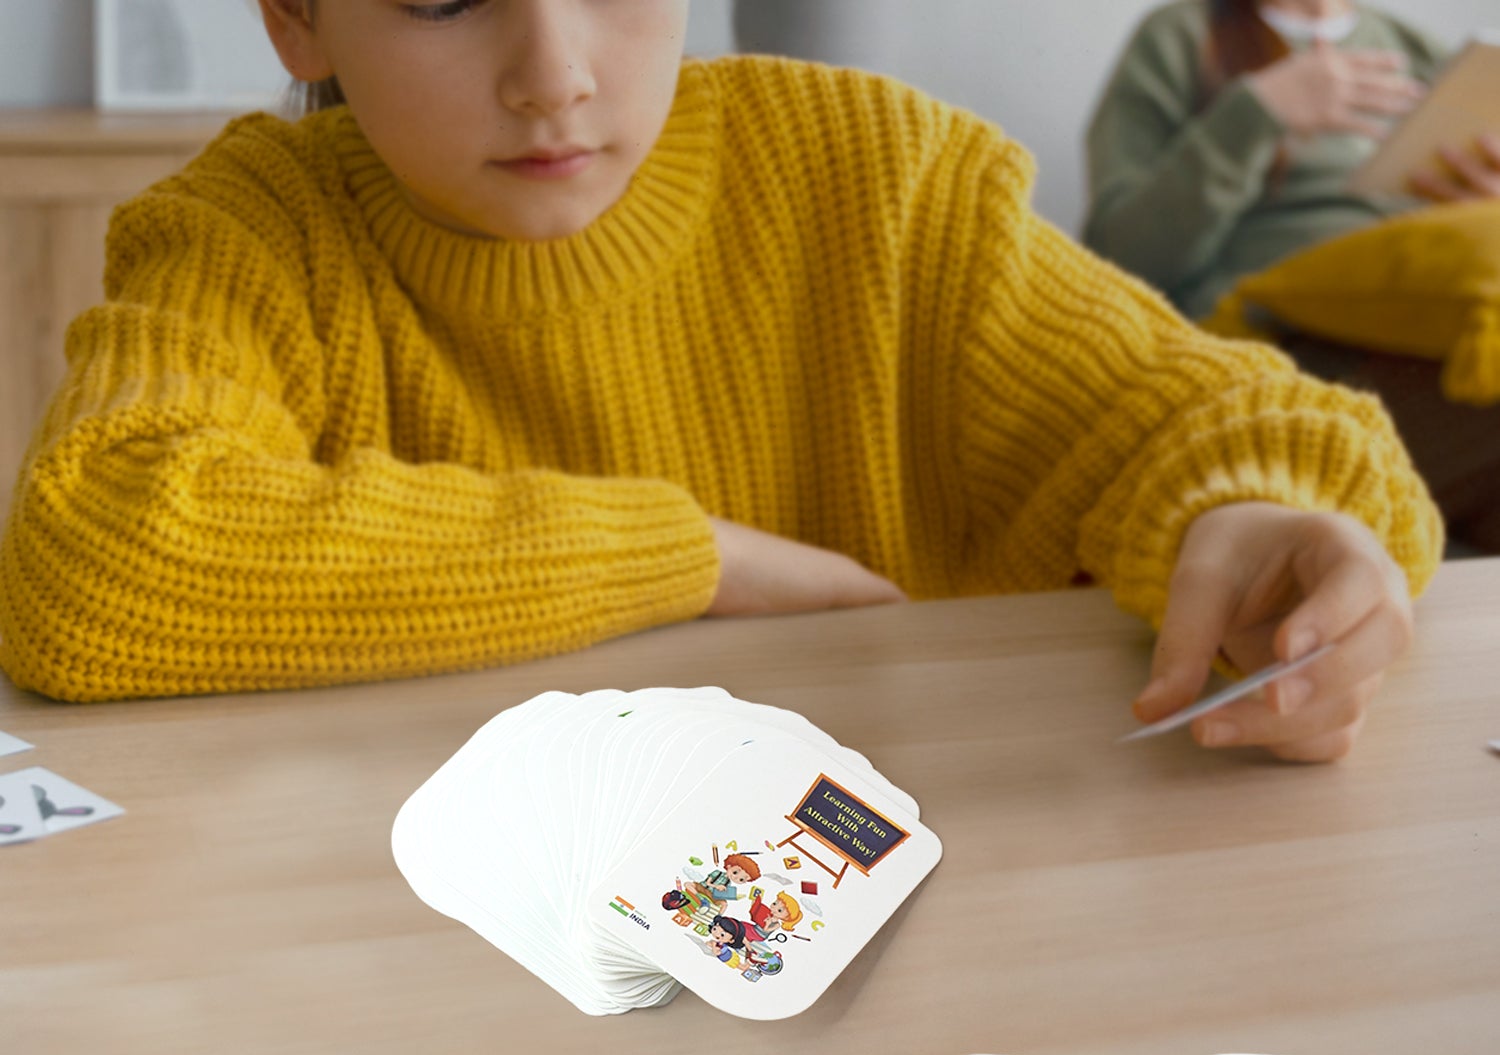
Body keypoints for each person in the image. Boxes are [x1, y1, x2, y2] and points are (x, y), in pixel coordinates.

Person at [0, 0, 1436, 765]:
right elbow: (96, 557)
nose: (553, 73)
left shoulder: (881, 176)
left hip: (924, 918)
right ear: (295, 20)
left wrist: (1260, 516)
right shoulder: (252, 227)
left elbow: (1248, 423)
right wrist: (691, 560)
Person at [1085, 0, 1500, 550]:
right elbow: (1120, 260)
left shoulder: (1415, 48)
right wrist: (1255, 114)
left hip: (1427, 320)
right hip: (1275, 343)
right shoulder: (1181, 35)